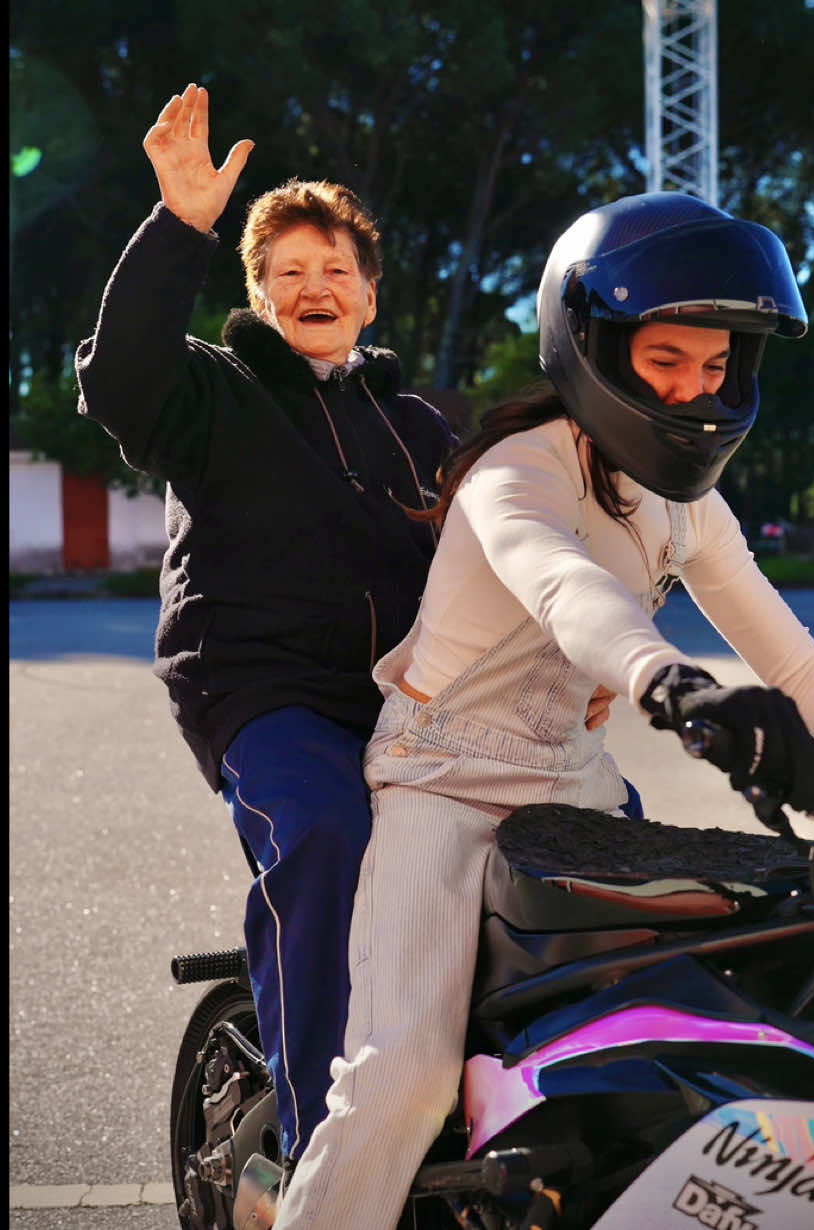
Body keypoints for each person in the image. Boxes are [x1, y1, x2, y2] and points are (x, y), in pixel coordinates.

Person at [270, 191, 814, 1230]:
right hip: (444, 784)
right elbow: (574, 593)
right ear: (594, 347)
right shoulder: (514, 473)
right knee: (402, 1083)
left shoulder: (686, 506)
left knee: (686, 1022)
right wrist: (677, 686)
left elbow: (795, 660)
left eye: (715, 368)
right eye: (667, 362)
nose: (696, 393)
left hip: (573, 788)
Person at [73, 82, 465, 1167]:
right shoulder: (213, 389)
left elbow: (496, 565)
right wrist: (179, 224)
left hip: (406, 705)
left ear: (371, 296)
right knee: (326, 835)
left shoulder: (420, 427)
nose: (313, 286)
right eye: (287, 272)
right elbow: (121, 378)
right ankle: (319, 1155)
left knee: (535, 848)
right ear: (254, 291)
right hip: (263, 694)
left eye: (335, 268)